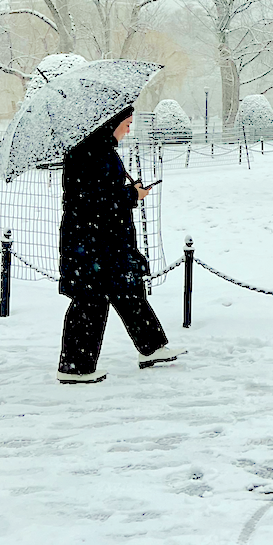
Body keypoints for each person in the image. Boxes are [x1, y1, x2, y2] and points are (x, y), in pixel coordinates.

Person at [57, 106, 185, 384]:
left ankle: (152, 348)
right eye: (126, 124)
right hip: (91, 244)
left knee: (129, 291)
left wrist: (130, 191)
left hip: (107, 242)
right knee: (89, 300)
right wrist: (131, 194)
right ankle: (75, 367)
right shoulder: (89, 153)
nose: (129, 130)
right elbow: (93, 202)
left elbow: (103, 193)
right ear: (110, 124)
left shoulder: (99, 150)